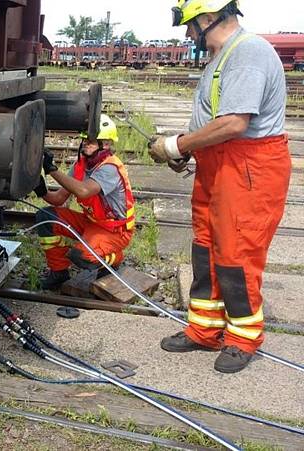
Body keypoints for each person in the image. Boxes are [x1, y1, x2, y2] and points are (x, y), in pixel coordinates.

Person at [149, 0, 290, 373]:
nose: (187, 33)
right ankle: (205, 329)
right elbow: (215, 123)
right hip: (219, 163)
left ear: (209, 18)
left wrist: (177, 145)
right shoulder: (222, 56)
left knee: (237, 252)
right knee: (206, 248)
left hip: (247, 166)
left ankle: (243, 338)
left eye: (190, 24)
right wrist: (189, 148)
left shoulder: (247, 53)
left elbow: (233, 124)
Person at [35, 114, 136, 292]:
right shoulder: (81, 165)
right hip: (92, 223)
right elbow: (58, 199)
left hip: (115, 231)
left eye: (91, 141)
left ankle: (116, 257)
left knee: (82, 257)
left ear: (106, 144)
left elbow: (83, 190)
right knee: (46, 217)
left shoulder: (110, 168)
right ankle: (59, 272)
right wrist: (40, 189)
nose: (85, 144)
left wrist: (52, 170)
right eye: (84, 140)